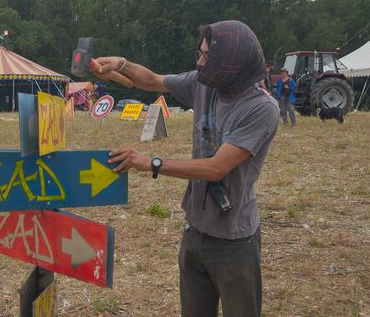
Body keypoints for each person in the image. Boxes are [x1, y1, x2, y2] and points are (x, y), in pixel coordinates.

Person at [93, 20, 279, 317]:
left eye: (208, 56)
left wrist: (151, 162)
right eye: (200, 52)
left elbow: (218, 167)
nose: (200, 61)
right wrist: (122, 63)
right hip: (196, 227)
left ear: (231, 64)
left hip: (234, 239)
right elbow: (153, 80)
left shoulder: (260, 108)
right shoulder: (203, 83)